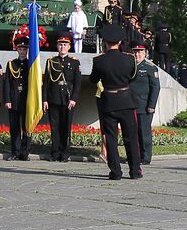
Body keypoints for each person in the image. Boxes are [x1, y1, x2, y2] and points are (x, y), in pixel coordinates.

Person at [89, 25, 141, 180]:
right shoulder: (129, 58)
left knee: (111, 139)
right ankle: (135, 170)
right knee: (131, 138)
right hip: (126, 101)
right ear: (119, 41)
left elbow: (93, 79)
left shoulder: (99, 60)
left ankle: (116, 171)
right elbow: (133, 77)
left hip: (109, 102)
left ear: (105, 41)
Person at [43, 28, 80, 161]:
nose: (62, 47)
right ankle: (55, 152)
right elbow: (46, 82)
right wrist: (45, 99)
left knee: (66, 126)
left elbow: (77, 83)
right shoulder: (50, 62)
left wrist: (74, 98)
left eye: (65, 44)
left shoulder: (75, 63)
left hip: (67, 99)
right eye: (60, 44)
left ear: (69, 46)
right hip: (53, 99)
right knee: (55, 127)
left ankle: (65, 152)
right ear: (57, 46)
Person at [129, 40, 161, 165]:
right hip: (131, 104)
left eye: (140, 52)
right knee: (133, 133)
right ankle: (135, 156)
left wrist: (151, 105)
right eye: (135, 52)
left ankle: (146, 157)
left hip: (144, 105)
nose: (138, 55)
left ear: (145, 53)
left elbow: (155, 87)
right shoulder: (130, 67)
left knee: (144, 133)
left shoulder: (150, 68)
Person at [3, 35, 33, 160]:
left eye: (24, 49)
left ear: (27, 50)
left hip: (27, 101)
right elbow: (7, 84)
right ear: (17, 50)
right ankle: (15, 152)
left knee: (27, 127)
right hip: (14, 100)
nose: (22, 51)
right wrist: (8, 100)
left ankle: (25, 152)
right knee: (15, 128)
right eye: (20, 49)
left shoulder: (31, 64)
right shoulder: (11, 64)